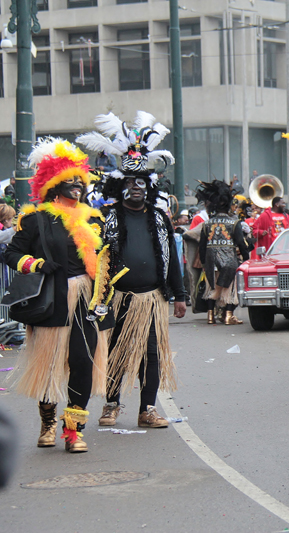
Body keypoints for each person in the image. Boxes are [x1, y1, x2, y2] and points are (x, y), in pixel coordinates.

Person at [76, 110, 186, 429]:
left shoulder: (158, 218)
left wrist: (179, 295)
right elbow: (94, 260)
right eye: (129, 182)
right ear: (119, 185)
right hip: (118, 299)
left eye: (140, 182)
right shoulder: (106, 218)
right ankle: (111, 405)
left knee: (150, 354)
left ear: (148, 186)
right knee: (117, 352)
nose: (135, 188)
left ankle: (147, 409)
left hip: (151, 300)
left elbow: (171, 261)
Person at [5, 138, 114, 453]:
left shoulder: (92, 219)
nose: (77, 186)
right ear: (53, 183)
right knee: (49, 365)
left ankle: (73, 430)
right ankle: (48, 422)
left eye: (81, 181)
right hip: (52, 299)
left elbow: (104, 259)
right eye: (70, 181)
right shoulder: (36, 219)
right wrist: (36, 263)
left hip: (85, 300)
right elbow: (10, 254)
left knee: (83, 361)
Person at [196, 180, 252, 325]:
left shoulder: (207, 224)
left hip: (210, 261)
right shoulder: (234, 223)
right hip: (230, 260)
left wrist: (203, 262)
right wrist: (246, 259)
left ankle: (211, 316)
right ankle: (228, 315)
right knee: (229, 289)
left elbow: (202, 246)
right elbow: (241, 243)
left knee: (211, 287)